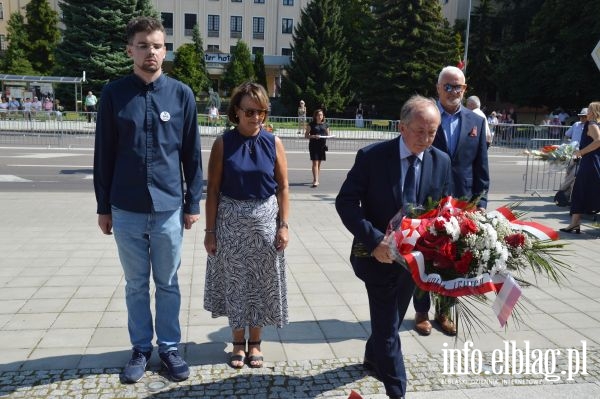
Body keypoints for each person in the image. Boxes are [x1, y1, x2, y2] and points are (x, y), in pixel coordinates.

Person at [93, 16, 202, 384]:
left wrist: (193, 204)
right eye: (143, 45)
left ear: (164, 49)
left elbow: (192, 155)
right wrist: (103, 206)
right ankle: (141, 349)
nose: (150, 52)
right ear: (130, 50)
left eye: (157, 45)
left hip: (170, 208)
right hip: (126, 209)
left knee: (168, 283)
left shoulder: (182, 95)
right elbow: (103, 154)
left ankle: (169, 348)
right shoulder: (113, 94)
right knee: (136, 285)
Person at [336, 95, 451, 399]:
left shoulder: (441, 161)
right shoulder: (373, 157)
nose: (426, 139)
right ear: (402, 127)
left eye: (432, 132)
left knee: (394, 317)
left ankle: (373, 358)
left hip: (414, 262)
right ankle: (397, 392)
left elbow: (444, 209)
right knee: (389, 331)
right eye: (419, 131)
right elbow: (345, 202)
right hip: (378, 258)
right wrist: (374, 240)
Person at [203, 82, 289, 370]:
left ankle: (256, 342)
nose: (256, 117)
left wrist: (284, 225)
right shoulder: (222, 143)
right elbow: (213, 189)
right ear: (236, 112)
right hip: (231, 225)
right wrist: (210, 231)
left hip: (265, 223)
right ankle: (238, 343)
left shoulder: (273, 142)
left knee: (262, 285)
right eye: (250, 111)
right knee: (236, 285)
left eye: (261, 111)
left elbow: (284, 187)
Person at [411, 66, 489, 337]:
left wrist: (481, 203)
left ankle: (443, 312)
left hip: (463, 203)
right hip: (429, 199)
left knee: (456, 259)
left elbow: (481, 166)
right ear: (438, 88)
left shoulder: (476, 122)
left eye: (459, 87)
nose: (454, 91)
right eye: (448, 86)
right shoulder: (426, 115)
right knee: (425, 255)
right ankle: (421, 312)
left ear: (465, 90)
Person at [560, 102, 600, 234]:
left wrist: (581, 152)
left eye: (588, 109)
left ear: (593, 111)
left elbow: (598, 141)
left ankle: (574, 224)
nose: (586, 112)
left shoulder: (592, 124)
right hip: (590, 161)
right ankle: (574, 224)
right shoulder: (593, 124)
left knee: (583, 191)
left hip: (590, 163)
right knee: (580, 191)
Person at [305, 108, 329, 187]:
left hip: (322, 146)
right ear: (315, 116)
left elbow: (328, 135)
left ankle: (316, 178)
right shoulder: (311, 124)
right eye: (318, 115)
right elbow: (306, 135)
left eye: (321, 115)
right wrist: (314, 136)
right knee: (315, 162)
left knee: (318, 164)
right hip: (313, 145)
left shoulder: (325, 124)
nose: (320, 116)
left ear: (323, 116)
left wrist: (326, 136)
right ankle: (316, 180)